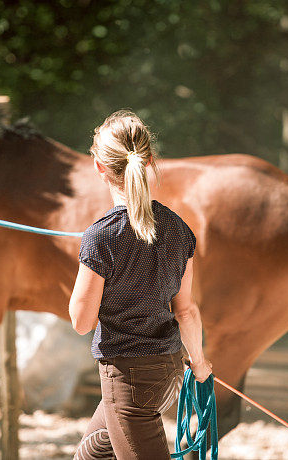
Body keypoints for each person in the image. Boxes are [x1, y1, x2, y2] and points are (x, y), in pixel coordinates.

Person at [70, 110, 213, 460]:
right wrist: (200, 363)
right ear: (149, 160)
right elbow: (187, 311)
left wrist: (90, 262)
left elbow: (81, 322)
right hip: (167, 372)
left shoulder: (99, 237)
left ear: (99, 167)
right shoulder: (179, 228)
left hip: (129, 382)